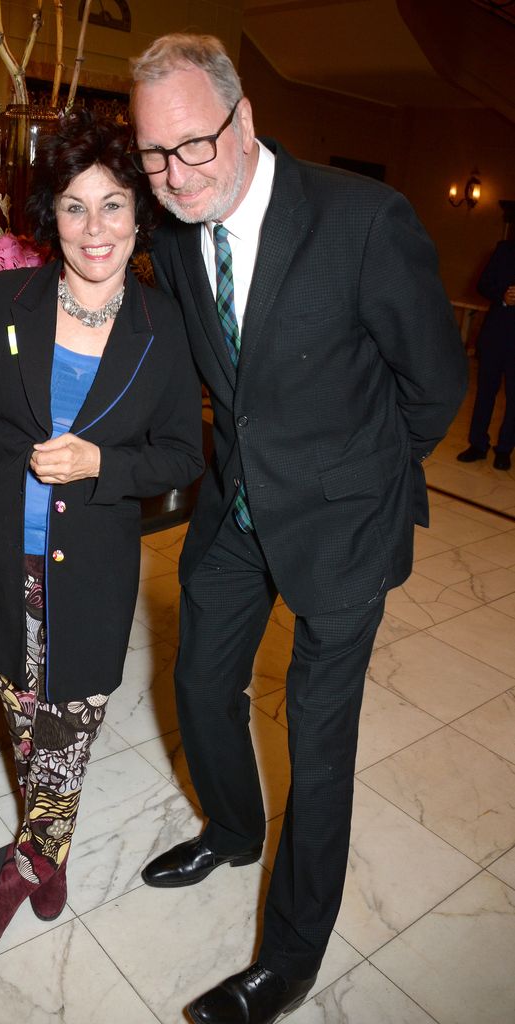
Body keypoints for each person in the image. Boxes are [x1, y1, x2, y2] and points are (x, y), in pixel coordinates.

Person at [130, 33, 467, 1024]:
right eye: (154, 155)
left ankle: (290, 956)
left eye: (192, 146)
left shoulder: (365, 221)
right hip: (236, 509)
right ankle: (232, 830)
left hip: (343, 527)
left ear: (244, 120)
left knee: (317, 742)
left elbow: (435, 383)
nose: (174, 175)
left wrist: (360, 480)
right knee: (197, 681)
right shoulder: (180, 231)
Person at [0, 108, 204, 947]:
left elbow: (183, 454)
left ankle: (29, 865)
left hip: (92, 574)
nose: (94, 227)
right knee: (27, 718)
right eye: (74, 206)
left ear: (139, 213)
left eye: (112, 204)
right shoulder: (4, 300)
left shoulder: (163, 328)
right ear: (52, 217)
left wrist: (103, 465)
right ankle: (50, 853)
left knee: (66, 733)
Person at [456, 238, 515, 471]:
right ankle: (478, 445)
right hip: (496, 335)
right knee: (485, 393)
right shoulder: (504, 249)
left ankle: (504, 450)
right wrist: (502, 295)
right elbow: (483, 284)